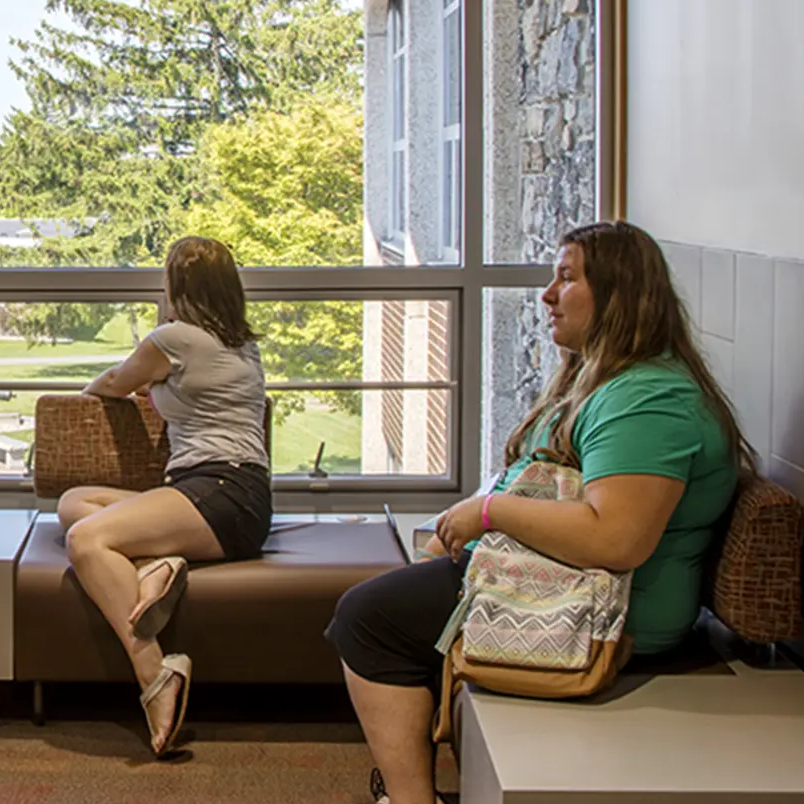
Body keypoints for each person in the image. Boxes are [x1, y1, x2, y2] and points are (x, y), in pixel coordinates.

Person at [325, 221, 754, 804]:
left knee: (366, 618)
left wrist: (489, 514)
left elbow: (616, 538)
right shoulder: (607, 381)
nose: (548, 295)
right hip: (566, 587)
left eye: (566, 278)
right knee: (397, 598)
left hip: (616, 618)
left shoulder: (649, 399)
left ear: (620, 295)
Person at [58, 235, 272, 757]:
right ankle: (158, 566)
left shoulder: (175, 337)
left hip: (220, 489)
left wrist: (95, 395)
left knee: (86, 539)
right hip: (232, 493)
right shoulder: (242, 343)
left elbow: (113, 381)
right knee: (74, 502)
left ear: (178, 288)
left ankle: (154, 673)